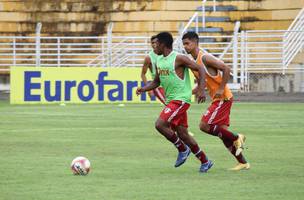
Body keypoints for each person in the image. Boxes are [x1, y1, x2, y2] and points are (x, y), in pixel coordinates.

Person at [136, 32, 213, 173]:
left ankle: (182, 149)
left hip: (181, 100)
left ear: (163, 44)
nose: (154, 46)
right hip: (172, 101)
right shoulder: (159, 60)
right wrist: (144, 88)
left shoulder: (178, 58)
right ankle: (205, 161)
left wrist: (201, 90)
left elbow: (200, 68)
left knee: (160, 124)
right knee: (183, 134)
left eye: (156, 43)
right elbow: (156, 81)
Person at [182, 31, 250, 171]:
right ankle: (243, 162)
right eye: (184, 44)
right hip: (218, 98)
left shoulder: (204, 58)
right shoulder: (194, 63)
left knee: (204, 125)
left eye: (187, 43)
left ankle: (238, 137)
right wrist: (189, 93)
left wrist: (220, 88)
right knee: (223, 134)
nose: (185, 47)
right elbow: (203, 83)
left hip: (222, 98)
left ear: (195, 43)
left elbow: (226, 68)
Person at [141, 35, 166, 105]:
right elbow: (143, 74)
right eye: (152, 43)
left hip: (167, 84)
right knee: (169, 105)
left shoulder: (165, 54)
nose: (154, 44)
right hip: (157, 86)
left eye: (156, 42)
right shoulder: (149, 57)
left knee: (174, 106)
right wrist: (148, 88)